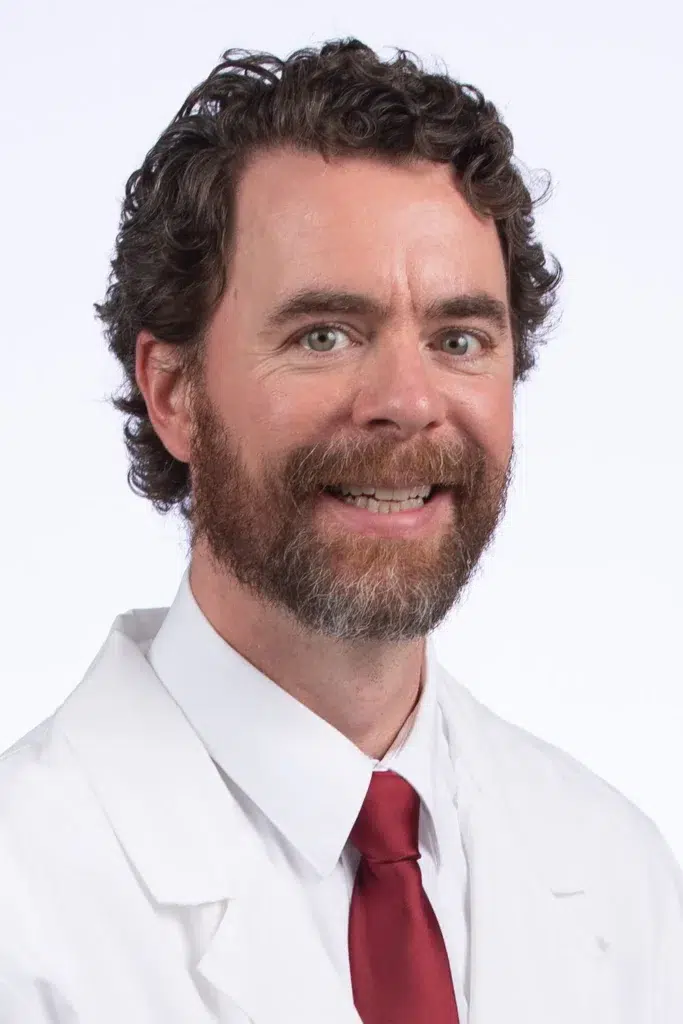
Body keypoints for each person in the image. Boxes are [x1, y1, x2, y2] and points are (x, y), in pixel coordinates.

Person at [0, 37, 680, 1024]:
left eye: (458, 339)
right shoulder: (23, 909)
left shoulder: (619, 876)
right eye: (323, 334)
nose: (408, 401)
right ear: (174, 392)